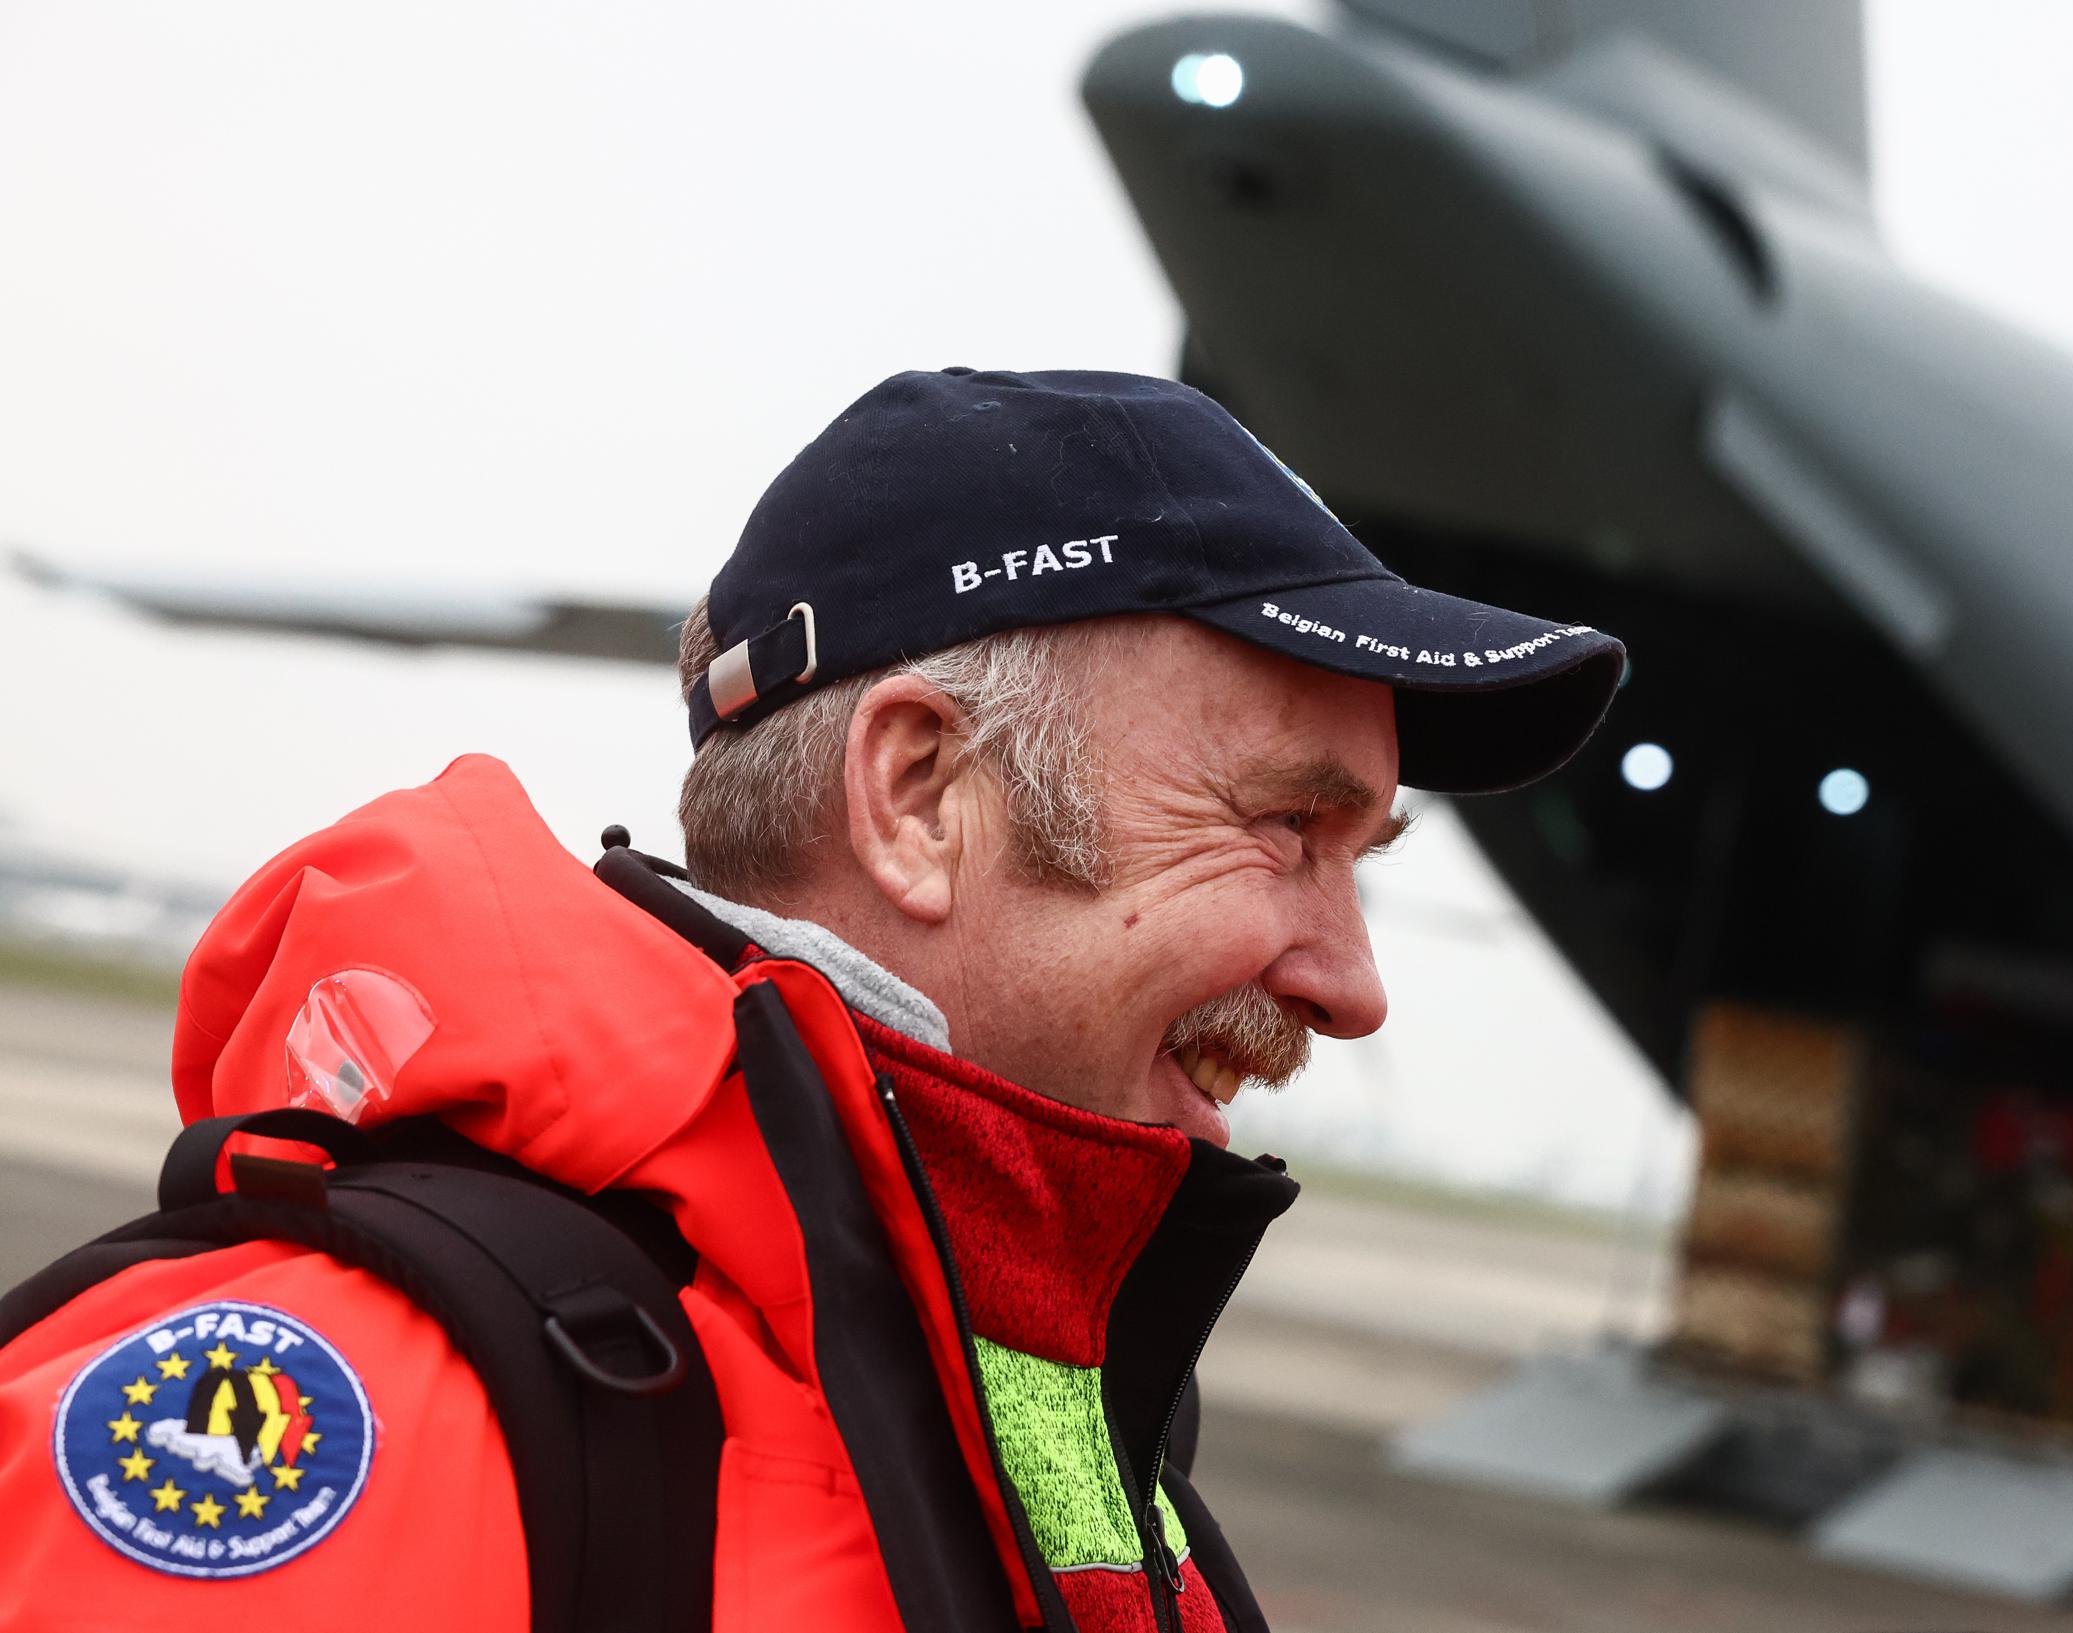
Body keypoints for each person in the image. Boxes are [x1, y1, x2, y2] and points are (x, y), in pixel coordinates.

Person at [0, 368, 1624, 1631]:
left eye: (1360, 858)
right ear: (918, 794)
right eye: (1285, 828)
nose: (1349, 984)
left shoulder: (1054, 1396)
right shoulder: (324, 1414)